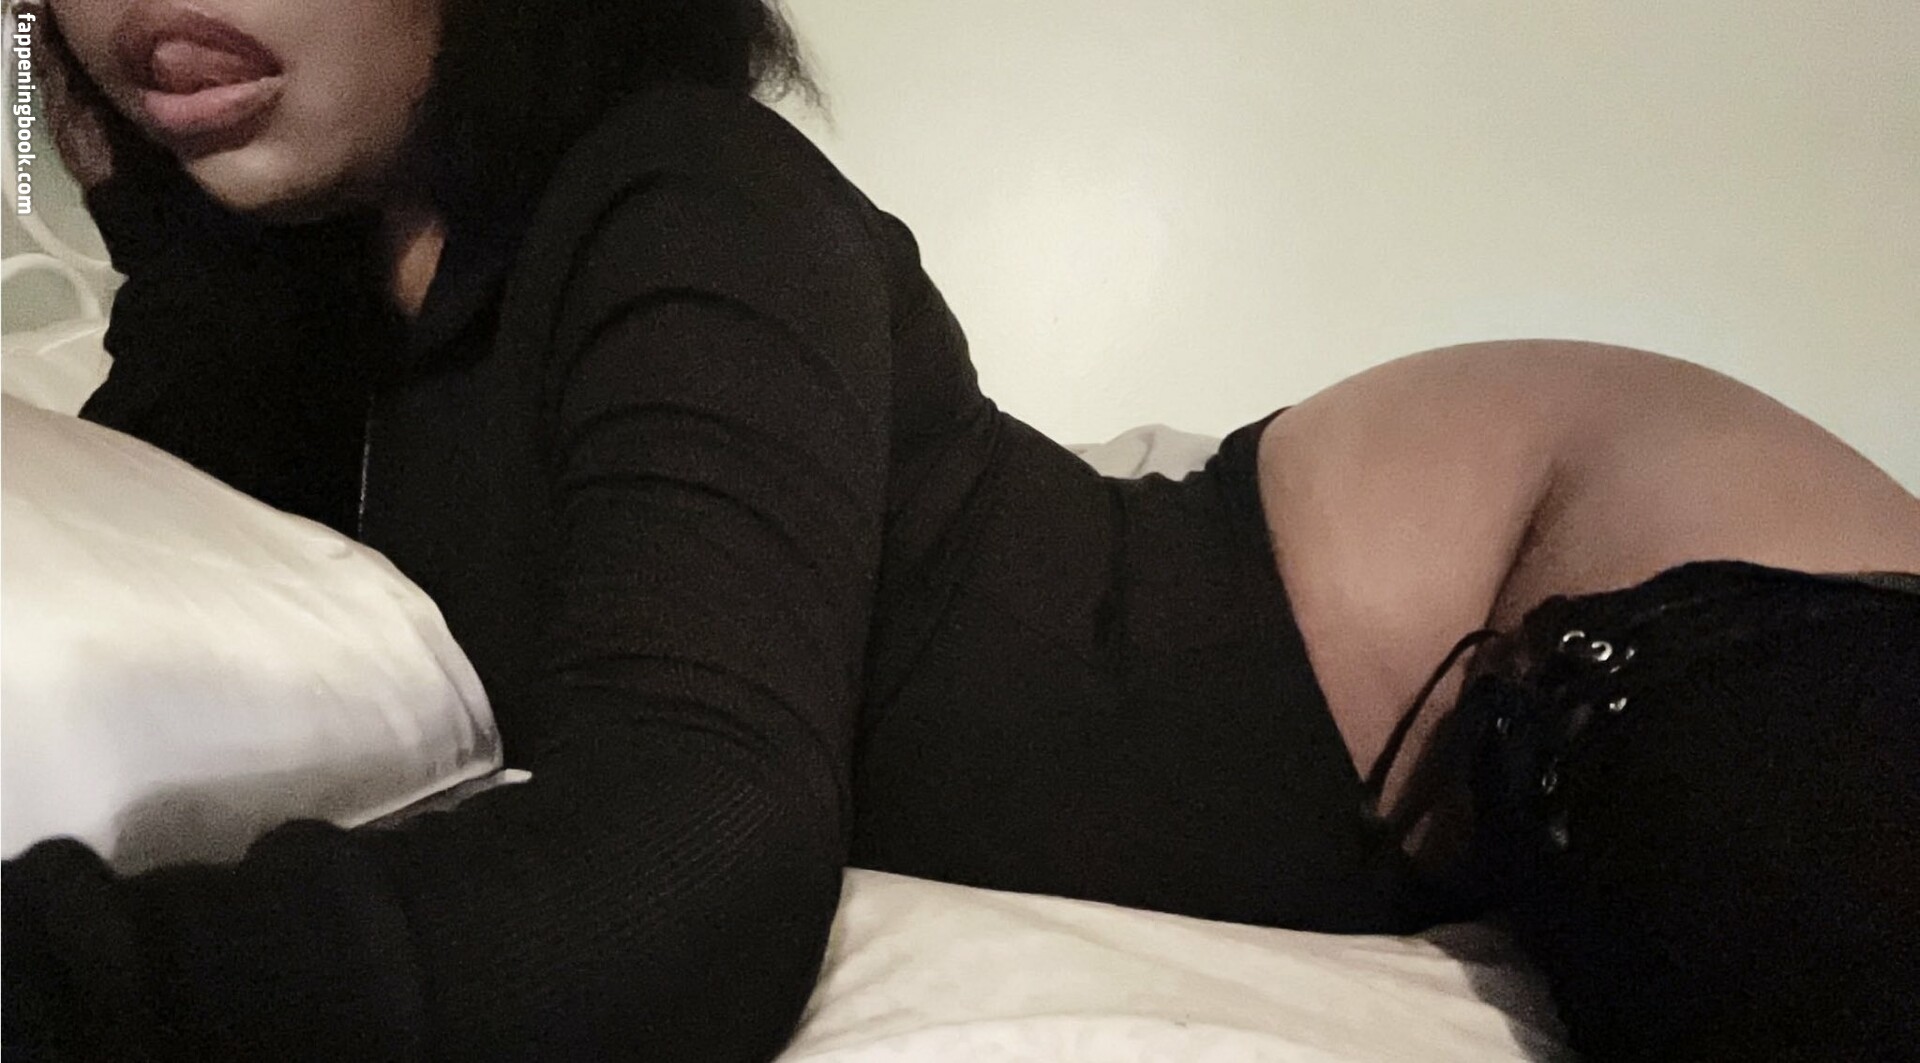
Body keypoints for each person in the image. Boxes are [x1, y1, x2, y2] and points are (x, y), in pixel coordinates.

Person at [4, 0, 1915, 1059]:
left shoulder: (682, 187)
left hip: (1550, 548)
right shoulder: (297, 337)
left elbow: (695, 856)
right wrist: (142, 213)